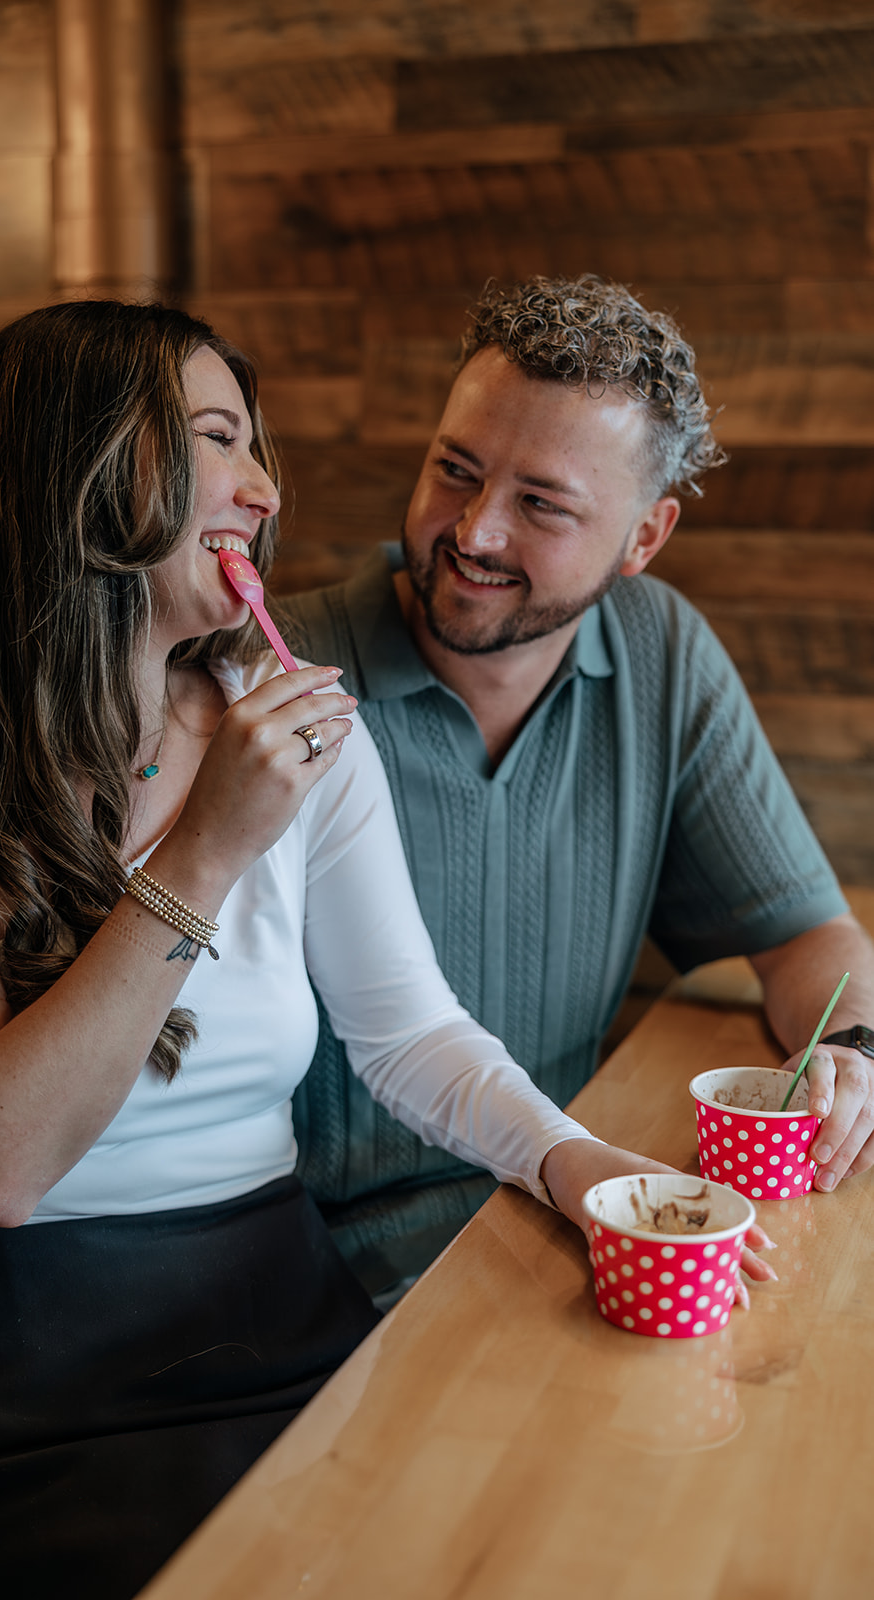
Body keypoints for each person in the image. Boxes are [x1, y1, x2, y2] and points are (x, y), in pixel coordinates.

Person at [0, 300, 733, 1599]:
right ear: (73, 466)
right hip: (15, 1375)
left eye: (257, 447)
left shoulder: (295, 727)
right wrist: (200, 856)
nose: (262, 487)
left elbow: (410, 1034)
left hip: (273, 1307)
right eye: (214, 439)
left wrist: (579, 1169)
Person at [284, 274, 874, 1298]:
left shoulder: (659, 654)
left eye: (539, 504)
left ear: (643, 538)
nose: (472, 531)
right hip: (308, 1262)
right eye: (452, 471)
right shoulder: (275, 667)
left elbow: (805, 941)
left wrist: (854, 1053)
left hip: (556, 1208)